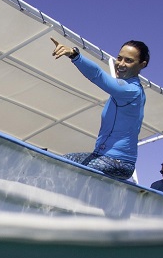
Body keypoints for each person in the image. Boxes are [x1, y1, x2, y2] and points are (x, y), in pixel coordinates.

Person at [51, 37, 148, 180]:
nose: (121, 64)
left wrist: (74, 55)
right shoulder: (121, 91)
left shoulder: (132, 91)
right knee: (62, 160)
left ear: (141, 65)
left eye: (128, 60)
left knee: (70, 170)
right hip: (100, 156)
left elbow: (98, 75)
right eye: (119, 58)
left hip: (119, 163)